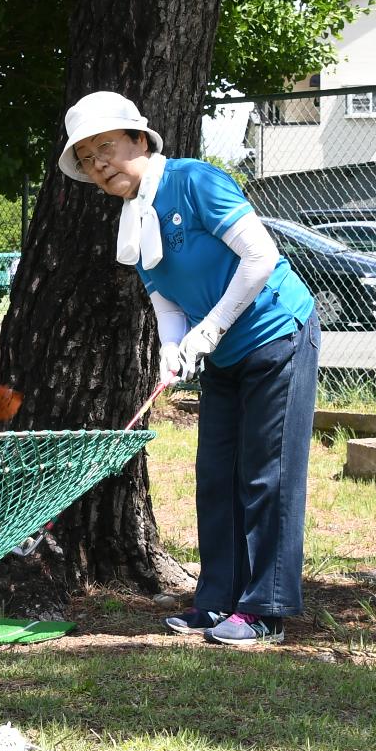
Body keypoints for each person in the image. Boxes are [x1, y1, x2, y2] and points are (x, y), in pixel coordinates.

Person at [58, 91, 321, 647]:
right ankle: (218, 600)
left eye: (107, 147)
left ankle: (263, 609)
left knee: (265, 474)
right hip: (221, 351)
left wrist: (209, 330)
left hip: (275, 333)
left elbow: (261, 259)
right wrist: (171, 348)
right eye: (86, 158)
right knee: (217, 475)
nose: (99, 163)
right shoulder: (133, 220)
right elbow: (166, 303)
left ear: (139, 140)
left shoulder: (194, 181)